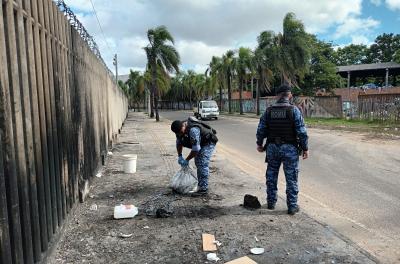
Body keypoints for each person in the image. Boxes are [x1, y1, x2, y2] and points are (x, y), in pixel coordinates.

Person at [256, 84, 309, 215]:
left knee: (271, 175)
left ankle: (271, 203)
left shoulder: (268, 111)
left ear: (277, 96)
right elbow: (301, 132)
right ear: (289, 95)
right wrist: (305, 148)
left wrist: (259, 143)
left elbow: (261, 129)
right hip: (290, 148)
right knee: (291, 178)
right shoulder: (294, 110)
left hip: (272, 148)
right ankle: (292, 206)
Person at [171, 117, 218, 196]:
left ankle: (203, 189)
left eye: (180, 132)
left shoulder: (193, 130)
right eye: (177, 133)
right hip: (200, 143)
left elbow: (196, 149)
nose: (179, 134)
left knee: (201, 163)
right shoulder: (178, 130)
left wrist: (187, 160)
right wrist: (180, 155)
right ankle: (200, 184)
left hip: (208, 142)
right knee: (198, 162)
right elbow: (179, 143)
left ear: (183, 126)